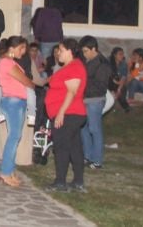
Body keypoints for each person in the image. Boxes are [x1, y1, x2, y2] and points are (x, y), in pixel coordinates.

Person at [44, 39, 88, 193]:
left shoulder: (74, 67)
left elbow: (72, 91)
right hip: (71, 113)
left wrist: (61, 113)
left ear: (70, 51)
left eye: (61, 50)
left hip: (69, 113)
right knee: (75, 147)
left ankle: (60, 182)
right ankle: (78, 182)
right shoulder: (69, 67)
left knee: (62, 147)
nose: (58, 53)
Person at [0, 36, 35, 187]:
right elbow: (26, 81)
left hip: (15, 101)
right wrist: (31, 84)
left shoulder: (8, 62)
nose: (24, 52)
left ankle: (9, 171)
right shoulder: (7, 63)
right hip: (13, 101)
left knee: (15, 137)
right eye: (21, 48)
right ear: (12, 48)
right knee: (14, 137)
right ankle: (5, 173)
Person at [78, 36, 111, 170]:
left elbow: (100, 86)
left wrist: (82, 86)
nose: (84, 54)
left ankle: (97, 160)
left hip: (95, 100)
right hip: (85, 99)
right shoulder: (88, 61)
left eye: (86, 51)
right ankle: (87, 156)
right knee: (83, 128)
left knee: (94, 129)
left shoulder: (102, 64)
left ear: (94, 49)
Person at [108, 47, 131, 113]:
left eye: (123, 54)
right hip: (108, 82)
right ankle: (111, 105)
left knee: (122, 89)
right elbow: (108, 76)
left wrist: (119, 89)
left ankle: (125, 106)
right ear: (115, 55)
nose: (122, 56)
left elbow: (123, 78)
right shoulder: (108, 62)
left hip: (118, 82)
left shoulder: (123, 64)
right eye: (120, 54)